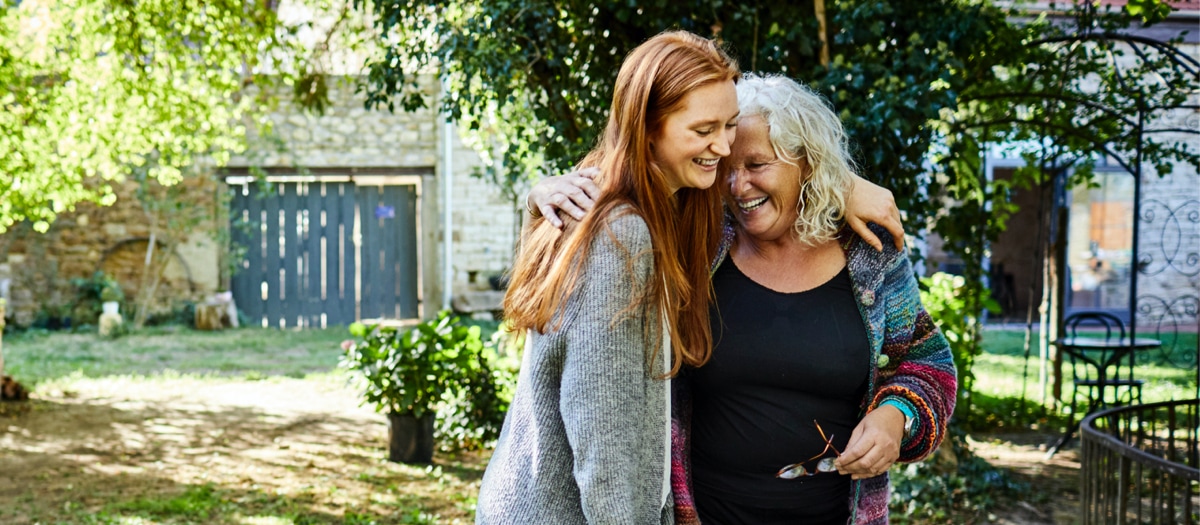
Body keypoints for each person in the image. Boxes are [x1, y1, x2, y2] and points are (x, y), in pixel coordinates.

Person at [531, 74, 957, 525]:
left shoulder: (871, 255)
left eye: (757, 165)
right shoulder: (694, 243)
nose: (737, 186)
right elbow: (625, 187)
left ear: (805, 163)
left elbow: (929, 363)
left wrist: (897, 415)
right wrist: (539, 197)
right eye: (726, 169)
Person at [475, 30, 739, 524]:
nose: (723, 145)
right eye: (704, 129)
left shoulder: (628, 207)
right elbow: (602, 426)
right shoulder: (623, 234)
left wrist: (846, 190)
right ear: (649, 126)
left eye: (730, 125)